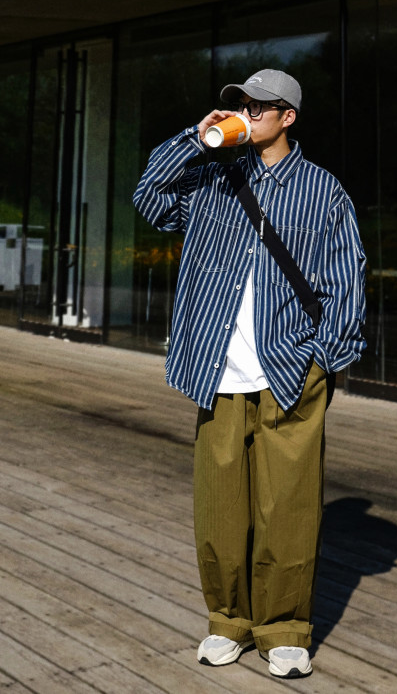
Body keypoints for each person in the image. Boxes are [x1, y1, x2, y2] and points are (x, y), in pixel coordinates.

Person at [133, 69, 366, 679]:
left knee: (288, 508)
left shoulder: (323, 191)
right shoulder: (212, 179)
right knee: (220, 510)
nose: (247, 113)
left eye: (261, 106)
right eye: (241, 104)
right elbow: (149, 197)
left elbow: (347, 278)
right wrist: (196, 137)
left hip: (290, 369)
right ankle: (228, 621)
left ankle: (284, 629)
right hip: (216, 370)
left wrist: (322, 359)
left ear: (288, 117)